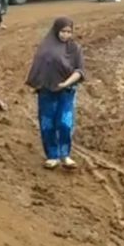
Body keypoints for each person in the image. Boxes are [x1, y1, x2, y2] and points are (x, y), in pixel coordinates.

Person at [26, 17, 85, 170]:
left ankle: (65, 155)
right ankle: (52, 156)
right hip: (46, 91)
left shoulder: (74, 49)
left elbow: (80, 71)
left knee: (64, 123)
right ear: (56, 30)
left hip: (66, 91)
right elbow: (38, 67)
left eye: (69, 32)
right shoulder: (45, 48)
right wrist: (37, 82)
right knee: (48, 124)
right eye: (63, 31)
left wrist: (66, 83)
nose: (66, 35)